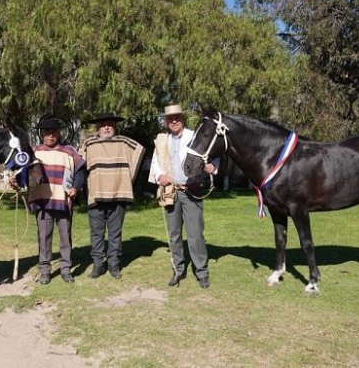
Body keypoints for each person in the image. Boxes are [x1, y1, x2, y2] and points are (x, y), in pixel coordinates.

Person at [149, 104, 217, 288]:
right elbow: (155, 163)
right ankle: (178, 269)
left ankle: (201, 272)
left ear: (182, 119)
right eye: (170, 118)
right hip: (171, 192)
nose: (174, 121)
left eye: (177, 117)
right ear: (166, 121)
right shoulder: (162, 140)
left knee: (195, 234)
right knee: (174, 234)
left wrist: (213, 168)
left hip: (192, 191)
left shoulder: (194, 136)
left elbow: (212, 155)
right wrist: (159, 176)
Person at [80, 112, 145, 279]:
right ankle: (97, 265)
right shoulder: (88, 144)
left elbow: (140, 151)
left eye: (109, 124)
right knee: (97, 232)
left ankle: (114, 264)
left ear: (115, 126)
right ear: (97, 127)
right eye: (103, 124)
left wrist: (127, 179)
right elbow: (79, 166)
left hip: (118, 193)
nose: (106, 127)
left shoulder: (124, 142)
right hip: (96, 194)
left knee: (115, 232)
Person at [25, 117, 86, 284]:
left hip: (63, 201)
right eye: (46, 132)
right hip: (42, 202)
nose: (50, 135)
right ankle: (45, 270)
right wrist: (16, 180)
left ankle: (66, 269)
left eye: (54, 132)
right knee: (44, 238)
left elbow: (81, 171)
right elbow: (24, 173)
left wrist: (76, 187)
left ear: (59, 133)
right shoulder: (34, 152)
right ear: (41, 134)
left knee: (65, 237)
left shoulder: (69, 151)